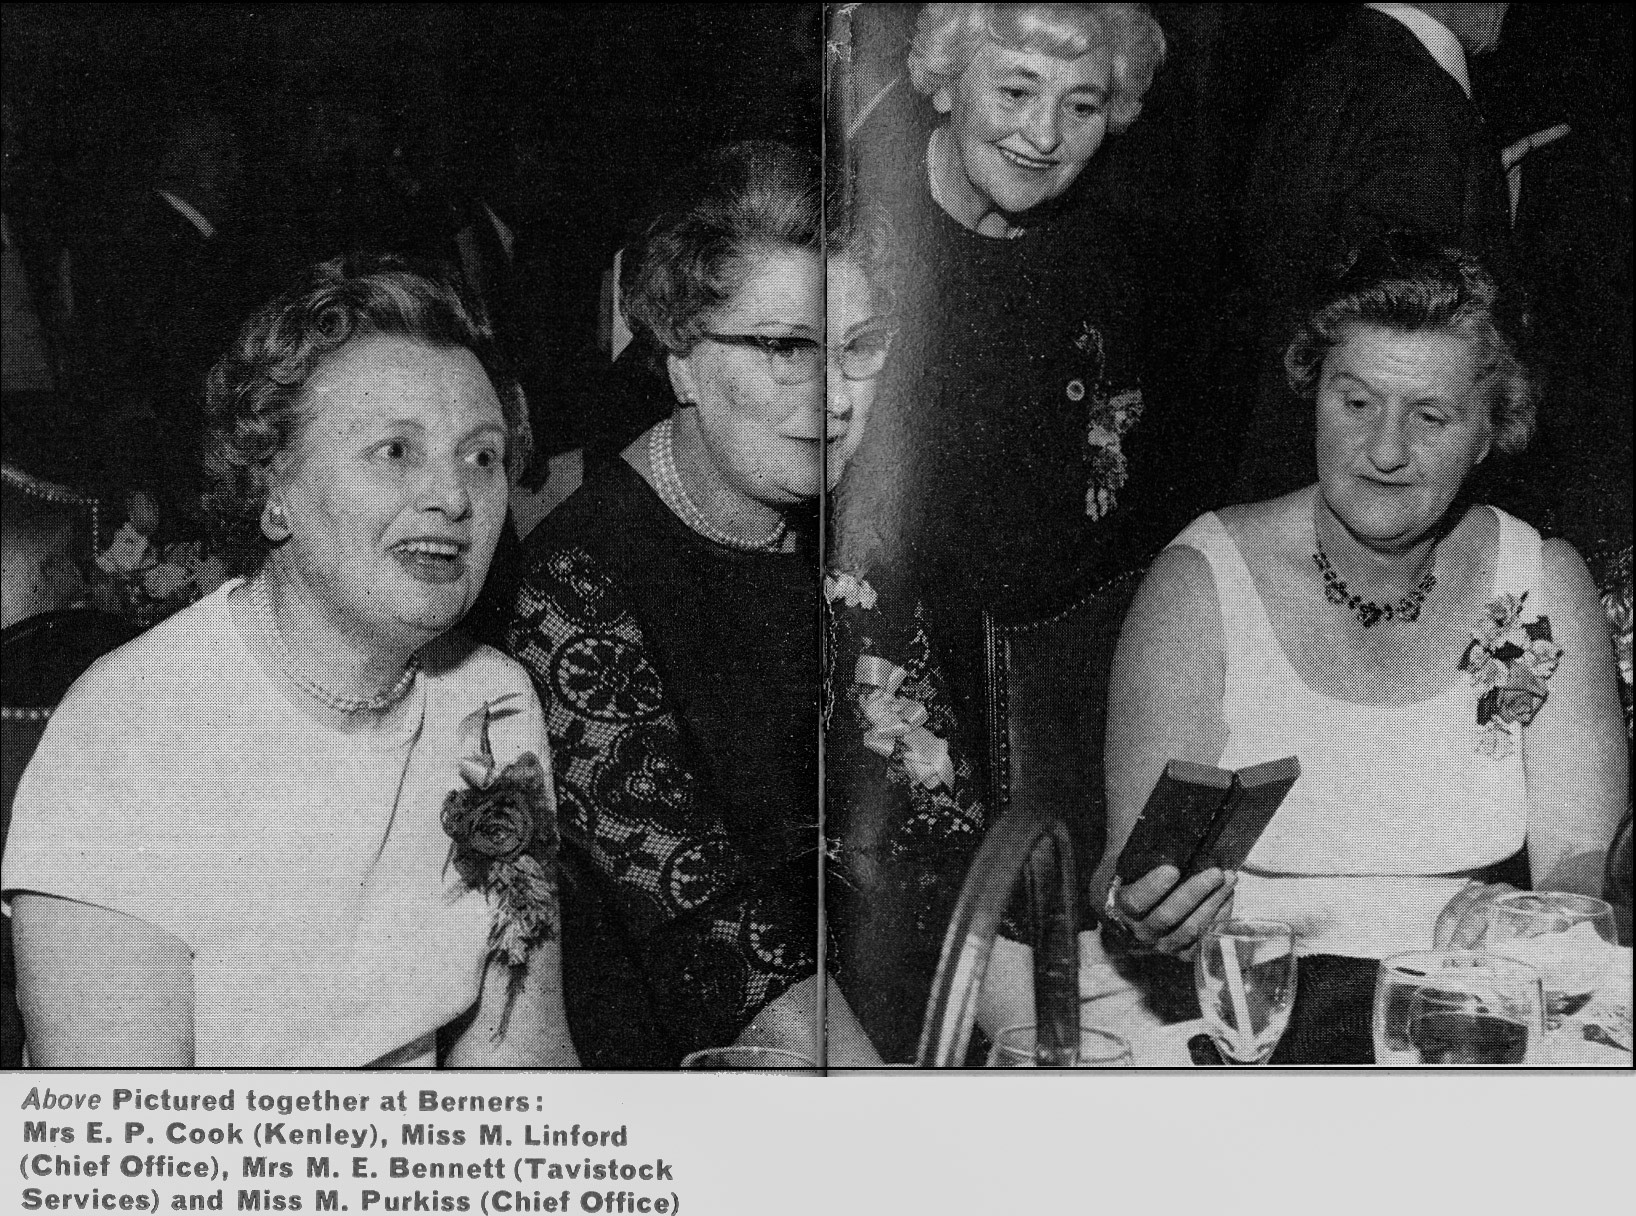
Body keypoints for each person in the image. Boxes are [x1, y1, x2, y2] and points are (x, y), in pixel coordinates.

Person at [2, 255, 578, 1068]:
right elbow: (125, 1153)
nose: (454, 496)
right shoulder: (128, 731)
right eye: (395, 451)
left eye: (482, 456)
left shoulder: (492, 699)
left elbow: (521, 1059)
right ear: (274, 489)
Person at [1099, 235, 1627, 1061]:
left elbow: (1578, 862)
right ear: (1313, 395)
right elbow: (1125, 877)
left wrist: (1529, 916)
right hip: (1241, 1014)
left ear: (1488, 432)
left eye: (1430, 415)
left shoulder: (1539, 586)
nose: (1385, 451)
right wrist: (1146, 910)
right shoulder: (1201, 580)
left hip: (1463, 1008)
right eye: (1356, 403)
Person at [491, 141, 960, 1067]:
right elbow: (713, 934)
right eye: (785, 348)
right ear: (679, 360)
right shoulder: (577, 580)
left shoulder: (851, 540)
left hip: (877, 1031)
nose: (832, 397)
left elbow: (933, 829)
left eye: (858, 347)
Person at [840, 3, 1168, 795]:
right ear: (946, 83)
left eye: (1081, 106)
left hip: (1056, 692)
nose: (1045, 136)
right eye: (1016, 92)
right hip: (877, 677)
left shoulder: (1121, 263)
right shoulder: (845, 237)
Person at [1236, 3, 1515, 503]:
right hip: (1371, 492)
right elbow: (1401, 327)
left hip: (1290, 466)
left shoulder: (1321, 74)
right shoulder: (1426, 100)